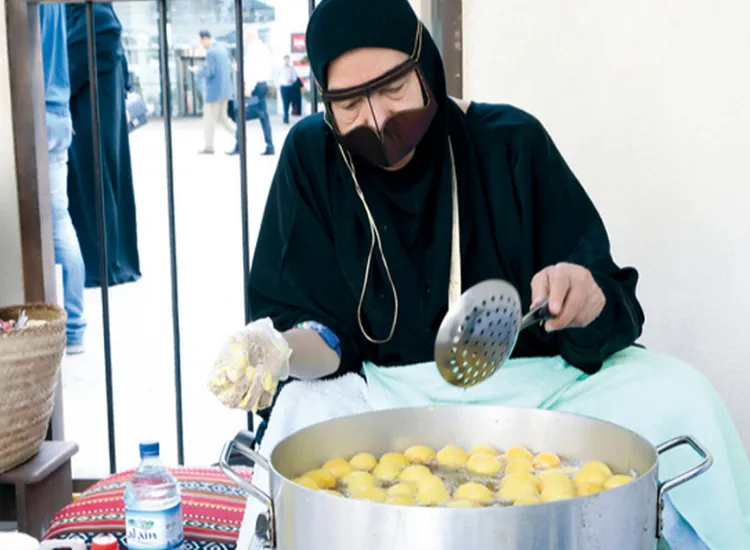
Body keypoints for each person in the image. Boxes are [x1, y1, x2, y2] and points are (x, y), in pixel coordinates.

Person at [220, 0, 750, 548]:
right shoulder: (313, 157)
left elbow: (604, 296)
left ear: (425, 66)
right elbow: (322, 332)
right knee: (299, 416)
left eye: (393, 88)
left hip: (537, 396)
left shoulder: (510, 142)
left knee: (681, 395)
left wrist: (585, 296)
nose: (377, 120)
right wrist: (280, 350)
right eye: (349, 103)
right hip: (381, 398)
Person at [65, 3, 141, 288]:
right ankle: (107, 261)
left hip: (91, 118)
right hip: (96, 116)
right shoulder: (96, 15)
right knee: (98, 182)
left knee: (93, 183)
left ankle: (102, 264)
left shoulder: (94, 17)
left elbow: (68, 70)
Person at [39, 3, 87, 354]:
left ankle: (65, 327)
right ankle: (74, 327)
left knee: (50, 223)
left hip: (34, 108)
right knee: (60, 221)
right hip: (58, 110)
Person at [227, 27, 275, 156]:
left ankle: (239, 146)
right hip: (262, 84)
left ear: (250, 36)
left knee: (240, 114)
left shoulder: (254, 49)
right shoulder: (263, 48)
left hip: (254, 86)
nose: (244, 39)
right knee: (263, 116)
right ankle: (270, 146)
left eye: (245, 37)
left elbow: (254, 69)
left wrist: (249, 87)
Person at [191, 30, 236, 154]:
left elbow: (209, 72)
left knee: (209, 120)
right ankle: (240, 136)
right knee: (223, 118)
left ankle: (209, 147)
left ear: (205, 38)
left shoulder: (211, 52)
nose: (200, 44)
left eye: (200, 40)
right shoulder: (222, 49)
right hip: (225, 91)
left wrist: (197, 71)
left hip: (214, 93)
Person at [276, 54, 299, 124]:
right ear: (284, 60)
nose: (287, 60)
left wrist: (292, 80)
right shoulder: (280, 68)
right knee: (285, 102)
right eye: (286, 59)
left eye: (288, 59)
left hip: (290, 87)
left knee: (289, 102)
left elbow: (295, 77)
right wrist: (278, 85)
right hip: (283, 87)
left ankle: (287, 116)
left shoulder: (292, 68)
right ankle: (285, 117)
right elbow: (276, 77)